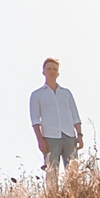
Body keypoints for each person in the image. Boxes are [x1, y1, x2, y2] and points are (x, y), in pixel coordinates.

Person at [30, 57, 83, 190]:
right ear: (43, 72)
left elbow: (75, 115)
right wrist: (40, 140)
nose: (52, 71)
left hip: (69, 136)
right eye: (49, 69)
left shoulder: (66, 93)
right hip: (50, 137)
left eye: (54, 69)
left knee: (73, 172)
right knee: (52, 172)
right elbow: (35, 120)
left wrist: (80, 135)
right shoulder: (37, 95)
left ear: (58, 73)